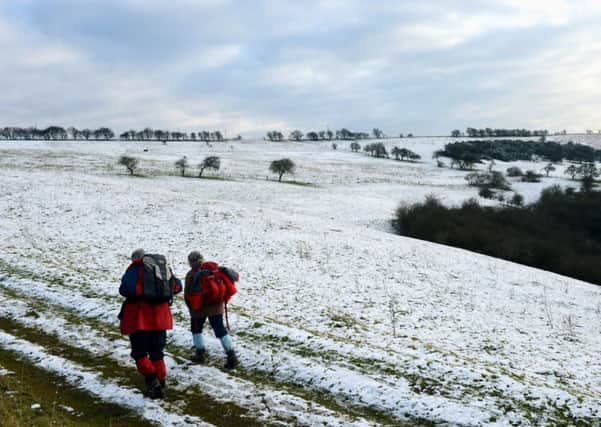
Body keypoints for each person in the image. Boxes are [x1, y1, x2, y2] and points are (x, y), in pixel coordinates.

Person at [119, 248, 182, 399]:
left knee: (139, 352)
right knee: (157, 353)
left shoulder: (135, 269)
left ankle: (152, 380)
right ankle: (161, 381)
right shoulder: (161, 269)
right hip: (161, 318)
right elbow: (178, 286)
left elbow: (125, 289)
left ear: (135, 259)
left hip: (140, 318)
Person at [184, 251, 239, 368]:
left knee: (196, 330)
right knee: (220, 331)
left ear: (190, 262)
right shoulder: (214, 271)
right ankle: (231, 355)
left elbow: (188, 294)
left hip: (199, 309)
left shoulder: (191, 274)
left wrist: (191, 308)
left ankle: (200, 353)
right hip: (216, 307)